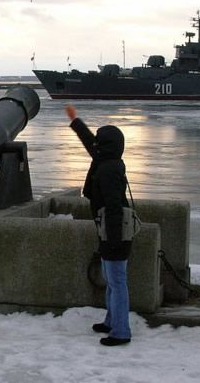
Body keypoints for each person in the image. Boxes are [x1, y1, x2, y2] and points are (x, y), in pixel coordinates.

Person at [64, 104, 132, 346]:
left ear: (106, 145)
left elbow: (114, 208)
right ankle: (111, 321)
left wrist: (111, 241)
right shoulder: (106, 159)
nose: (96, 144)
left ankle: (121, 331)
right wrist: (75, 121)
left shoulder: (108, 169)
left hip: (114, 232)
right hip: (107, 229)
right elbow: (89, 141)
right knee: (112, 278)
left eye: (100, 141)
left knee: (117, 281)